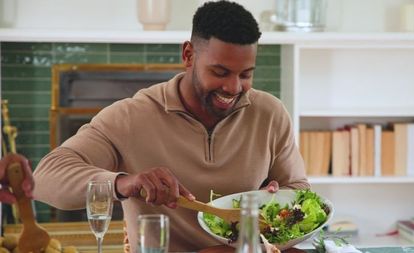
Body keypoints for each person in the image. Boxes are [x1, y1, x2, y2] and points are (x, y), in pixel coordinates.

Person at [32, 1, 309, 251]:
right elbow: (44, 178)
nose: (234, 87)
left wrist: (275, 202)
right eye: (220, 72)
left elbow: (299, 191)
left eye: (246, 74)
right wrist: (123, 183)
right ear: (188, 55)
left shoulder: (270, 113)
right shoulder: (131, 116)